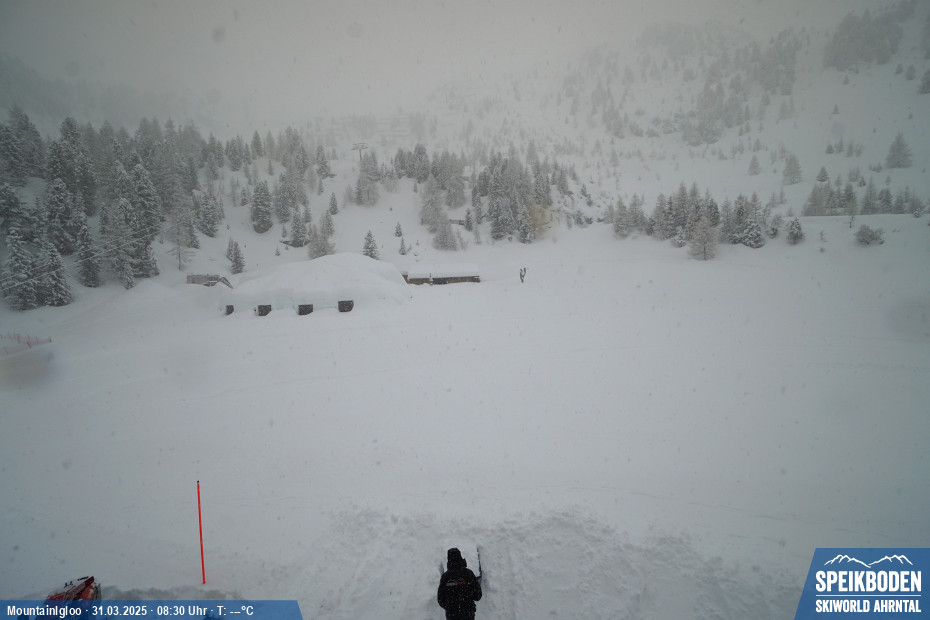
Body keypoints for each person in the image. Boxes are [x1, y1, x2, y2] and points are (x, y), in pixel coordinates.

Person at [437, 548, 482, 620]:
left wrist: (450, 607)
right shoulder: (468, 574)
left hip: (452, 615)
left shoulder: (445, 577)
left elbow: (440, 599)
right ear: (460, 557)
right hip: (468, 613)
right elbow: (478, 595)